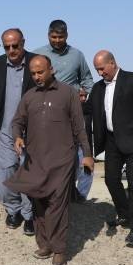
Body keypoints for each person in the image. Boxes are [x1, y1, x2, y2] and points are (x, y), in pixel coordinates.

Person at [7, 56, 93, 265]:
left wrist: (87, 154)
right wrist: (17, 137)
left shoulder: (68, 93)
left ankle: (59, 250)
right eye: (33, 73)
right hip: (36, 160)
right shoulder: (29, 96)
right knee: (39, 202)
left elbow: (79, 127)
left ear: (51, 69)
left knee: (58, 204)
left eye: (40, 72)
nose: (36, 77)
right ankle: (44, 244)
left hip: (62, 160)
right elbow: (17, 121)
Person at [90, 50, 133, 247]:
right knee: (111, 179)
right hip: (111, 141)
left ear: (112, 63)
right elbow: (88, 109)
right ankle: (125, 213)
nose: (100, 73)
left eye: (102, 68)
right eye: (97, 70)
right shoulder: (98, 88)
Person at [0, 29, 37, 235]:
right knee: (3, 179)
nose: (11, 50)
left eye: (15, 46)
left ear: (23, 42)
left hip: (31, 133)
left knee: (28, 176)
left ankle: (29, 216)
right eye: (7, 47)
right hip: (3, 131)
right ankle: (14, 210)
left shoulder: (36, 63)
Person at [34, 20, 95, 201]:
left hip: (72, 112)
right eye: (54, 37)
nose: (57, 40)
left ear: (67, 35)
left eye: (61, 37)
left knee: (81, 152)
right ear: (48, 35)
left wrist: (85, 93)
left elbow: (87, 80)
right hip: (46, 113)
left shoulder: (77, 55)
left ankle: (80, 196)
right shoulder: (38, 54)